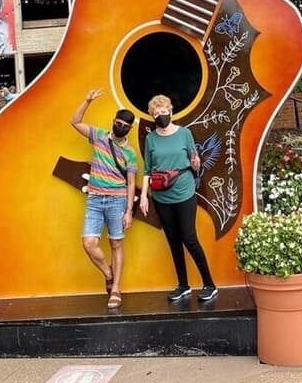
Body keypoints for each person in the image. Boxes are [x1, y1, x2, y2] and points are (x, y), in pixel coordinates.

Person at [139, 94, 217, 303]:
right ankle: (183, 285)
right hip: (160, 195)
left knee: (189, 238)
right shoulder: (150, 139)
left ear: (171, 112)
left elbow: (195, 164)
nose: (160, 116)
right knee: (173, 241)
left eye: (164, 112)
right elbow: (147, 169)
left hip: (183, 190)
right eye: (156, 114)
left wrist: (196, 162)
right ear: (152, 116)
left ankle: (209, 284)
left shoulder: (184, 134)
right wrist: (144, 197)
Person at [71, 88, 138, 309]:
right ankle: (109, 273)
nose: (120, 126)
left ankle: (116, 288)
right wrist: (87, 100)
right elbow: (75, 121)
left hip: (118, 200)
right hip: (95, 198)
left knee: (116, 243)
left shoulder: (130, 153)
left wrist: (129, 211)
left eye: (125, 125)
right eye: (118, 122)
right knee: (89, 243)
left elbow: (130, 183)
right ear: (114, 121)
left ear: (129, 128)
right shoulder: (99, 136)